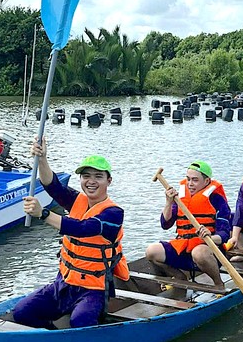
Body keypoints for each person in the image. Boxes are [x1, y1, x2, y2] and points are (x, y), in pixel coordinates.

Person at [12, 138, 129, 329]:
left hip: (94, 289)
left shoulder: (114, 214)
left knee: (80, 321)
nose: (91, 181)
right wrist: (42, 159)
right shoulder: (77, 201)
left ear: (109, 181)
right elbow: (53, 186)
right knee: (22, 312)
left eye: (98, 176)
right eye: (86, 176)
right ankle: (53, 335)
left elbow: (83, 228)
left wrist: (43, 214)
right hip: (64, 283)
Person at [145, 161, 231, 290]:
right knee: (151, 251)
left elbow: (224, 234)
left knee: (199, 253)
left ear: (207, 181)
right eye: (188, 179)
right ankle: (179, 277)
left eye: (195, 180)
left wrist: (210, 237)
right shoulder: (180, 197)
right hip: (183, 247)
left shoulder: (217, 199)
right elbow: (165, 224)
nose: (190, 184)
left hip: (209, 250)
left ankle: (219, 284)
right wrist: (168, 203)